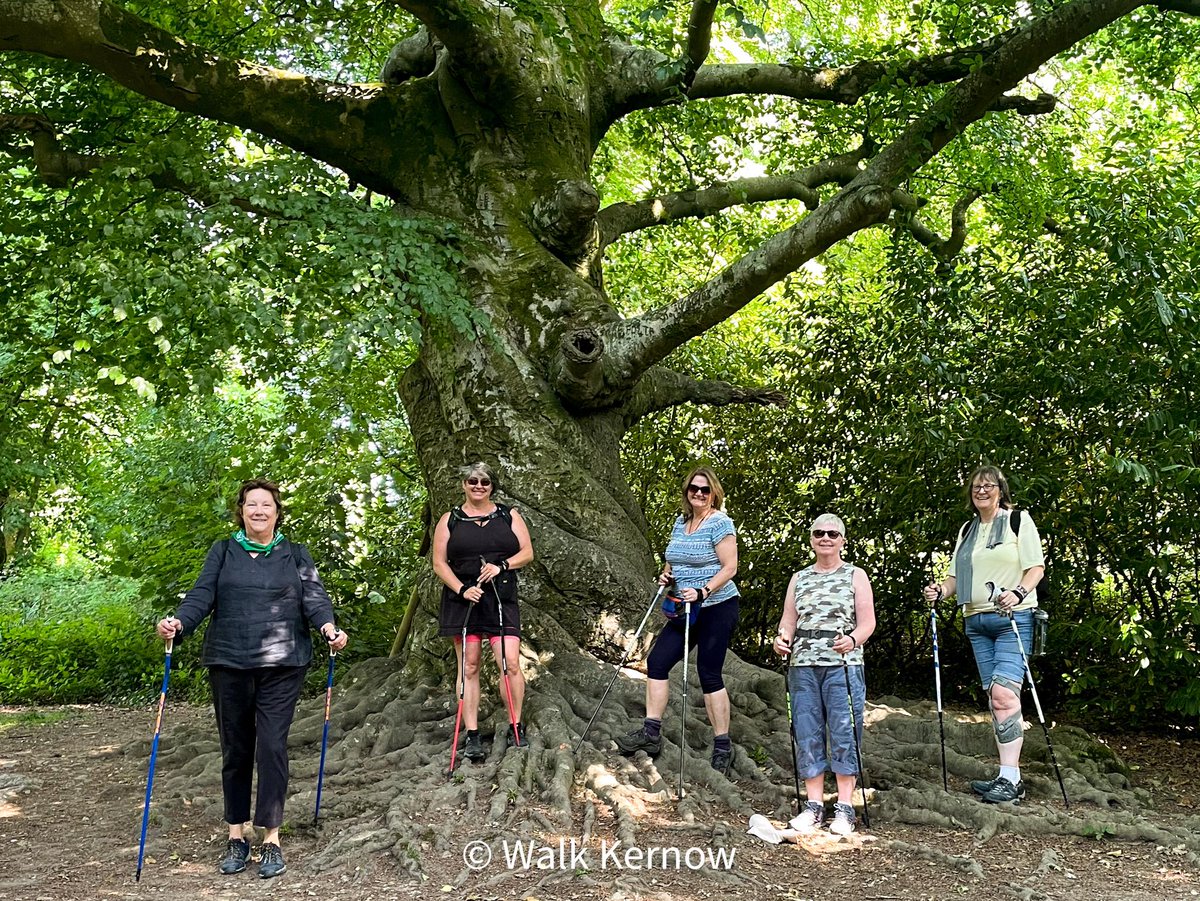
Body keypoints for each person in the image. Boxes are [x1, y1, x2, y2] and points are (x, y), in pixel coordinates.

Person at [156, 478, 348, 879]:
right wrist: (178, 623)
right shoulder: (224, 551)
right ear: (241, 511)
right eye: (251, 505)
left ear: (277, 512)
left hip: (283, 663)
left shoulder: (295, 554)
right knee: (237, 749)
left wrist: (328, 627)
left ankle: (271, 839)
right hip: (229, 661)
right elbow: (201, 596)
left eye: (266, 505)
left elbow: (314, 598)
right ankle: (236, 835)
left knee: (273, 747)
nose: (258, 511)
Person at [923, 464, 1045, 804]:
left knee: (1005, 696)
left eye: (989, 485)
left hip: (1012, 619)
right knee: (995, 698)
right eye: (976, 486)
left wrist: (1018, 593)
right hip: (976, 622)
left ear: (1000, 490)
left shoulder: (1019, 521)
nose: (982, 491)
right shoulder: (968, 529)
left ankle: (1012, 779)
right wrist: (940, 591)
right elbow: (956, 579)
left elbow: (1036, 567)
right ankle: (1007, 776)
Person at [616, 465, 740, 775]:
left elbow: (730, 567)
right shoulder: (680, 522)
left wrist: (703, 590)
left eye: (705, 489)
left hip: (716, 605)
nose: (698, 493)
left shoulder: (720, 523)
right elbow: (674, 557)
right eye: (693, 489)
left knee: (709, 673)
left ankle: (723, 746)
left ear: (714, 494)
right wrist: (667, 573)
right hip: (683, 606)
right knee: (657, 662)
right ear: (687, 492)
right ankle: (651, 733)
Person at [773, 513, 876, 836]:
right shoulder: (799, 578)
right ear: (811, 539)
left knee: (845, 731)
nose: (826, 538)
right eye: (819, 533)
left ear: (842, 540)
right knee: (806, 731)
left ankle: (844, 807)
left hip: (843, 665)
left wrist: (854, 639)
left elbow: (867, 621)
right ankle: (813, 806)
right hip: (803, 664)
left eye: (833, 533)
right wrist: (782, 639)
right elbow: (789, 620)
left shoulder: (855, 575)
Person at [432, 462, 535, 760]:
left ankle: (517, 724)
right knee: (469, 666)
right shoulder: (449, 519)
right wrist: (462, 589)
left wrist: (502, 565)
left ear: (492, 486)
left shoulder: (508, 515)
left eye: (485, 482)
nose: (479, 486)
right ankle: (473, 733)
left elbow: (527, 552)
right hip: (463, 599)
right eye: (473, 481)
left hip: (500, 598)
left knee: (511, 662)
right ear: (463, 484)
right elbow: (439, 563)